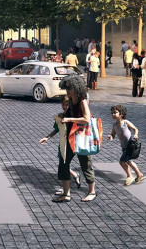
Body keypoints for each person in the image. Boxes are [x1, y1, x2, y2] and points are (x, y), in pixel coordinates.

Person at [51, 75, 96, 203]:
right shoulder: (71, 99)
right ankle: (66, 194)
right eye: (66, 88)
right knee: (63, 163)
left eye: (69, 88)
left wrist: (69, 119)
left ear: (76, 88)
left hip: (81, 137)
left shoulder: (82, 101)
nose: (67, 91)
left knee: (85, 164)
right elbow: (69, 114)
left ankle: (92, 192)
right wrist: (63, 116)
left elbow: (87, 119)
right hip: (70, 136)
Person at [39, 96, 80, 195]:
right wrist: (47, 137)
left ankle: (65, 188)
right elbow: (56, 130)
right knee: (63, 165)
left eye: (67, 104)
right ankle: (72, 178)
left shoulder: (74, 116)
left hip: (73, 144)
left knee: (63, 166)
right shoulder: (60, 116)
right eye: (63, 104)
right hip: (62, 145)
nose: (65, 106)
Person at [107, 104, 144, 186]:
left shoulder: (126, 122)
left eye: (115, 112)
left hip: (129, 146)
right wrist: (110, 137)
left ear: (121, 114)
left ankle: (130, 176)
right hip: (123, 146)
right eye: (112, 113)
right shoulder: (114, 125)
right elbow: (113, 134)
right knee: (129, 161)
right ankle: (139, 175)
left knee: (122, 162)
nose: (113, 114)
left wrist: (136, 134)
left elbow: (135, 129)